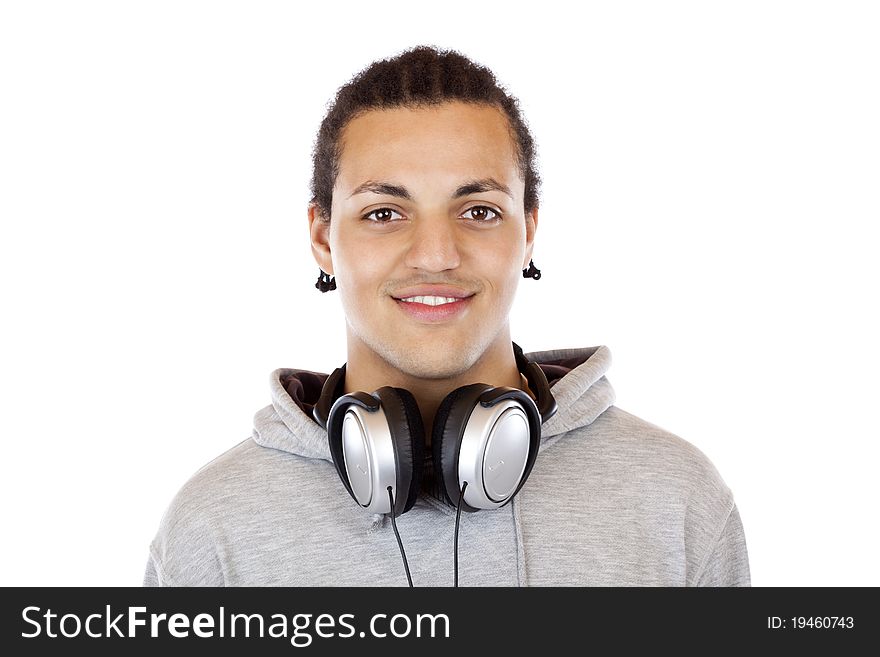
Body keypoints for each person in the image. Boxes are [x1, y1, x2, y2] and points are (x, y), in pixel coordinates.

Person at [143, 45, 750, 587]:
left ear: (529, 231)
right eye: (384, 213)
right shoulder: (213, 534)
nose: (436, 256)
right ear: (324, 238)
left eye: (479, 210)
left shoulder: (678, 502)